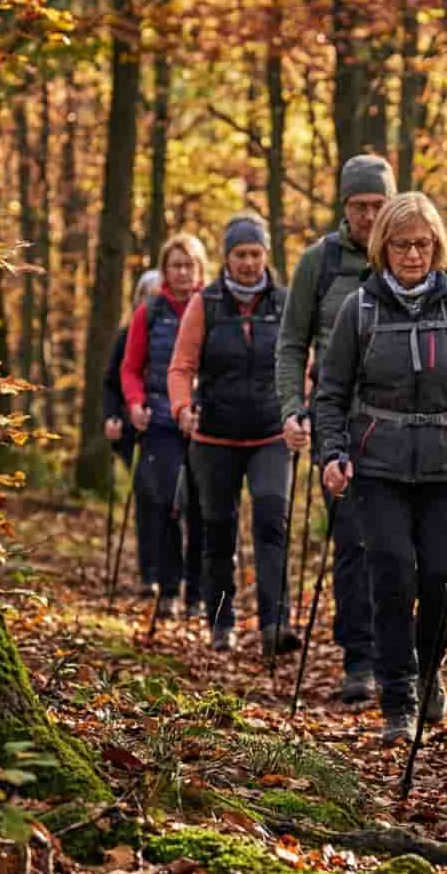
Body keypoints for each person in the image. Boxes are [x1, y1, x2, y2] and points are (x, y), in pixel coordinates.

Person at [316, 192, 447, 746]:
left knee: (442, 577)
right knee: (390, 576)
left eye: (423, 244)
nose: (412, 254)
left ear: (437, 246)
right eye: (401, 244)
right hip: (378, 464)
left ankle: (428, 668)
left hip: (445, 461)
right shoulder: (358, 309)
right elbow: (332, 393)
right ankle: (398, 698)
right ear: (381, 247)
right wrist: (332, 453)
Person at [276, 154, 396, 702]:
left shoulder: (411, 255)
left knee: (398, 545)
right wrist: (291, 408)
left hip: (401, 421)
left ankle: (403, 654)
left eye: (378, 205)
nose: (370, 215)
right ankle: (359, 659)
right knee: (351, 540)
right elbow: (291, 342)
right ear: (344, 206)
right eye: (359, 205)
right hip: (336, 419)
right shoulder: (318, 263)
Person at [169, 212, 301, 655]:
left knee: (271, 521)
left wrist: (300, 408)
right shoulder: (204, 304)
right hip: (215, 438)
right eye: (240, 254)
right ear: (227, 258)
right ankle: (220, 621)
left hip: (270, 434)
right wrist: (182, 407)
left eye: (255, 254)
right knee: (218, 530)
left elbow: (302, 362)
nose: (248, 263)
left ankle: (274, 622)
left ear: (266, 255)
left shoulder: (285, 304)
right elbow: (182, 366)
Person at [122, 235, 209, 619]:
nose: (183, 272)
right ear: (165, 270)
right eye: (176, 265)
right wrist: (135, 403)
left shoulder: (215, 306)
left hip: (208, 423)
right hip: (161, 421)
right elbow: (130, 367)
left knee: (205, 508)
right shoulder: (150, 312)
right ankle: (170, 588)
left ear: (200, 269)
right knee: (171, 502)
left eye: (189, 265)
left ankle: (198, 592)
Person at [104, 268, 160, 594]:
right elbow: (111, 383)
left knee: (171, 498)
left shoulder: (181, 329)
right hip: (133, 430)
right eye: (146, 296)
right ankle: (149, 573)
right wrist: (112, 417)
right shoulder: (126, 336)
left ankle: (170, 571)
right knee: (147, 495)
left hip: (169, 424)